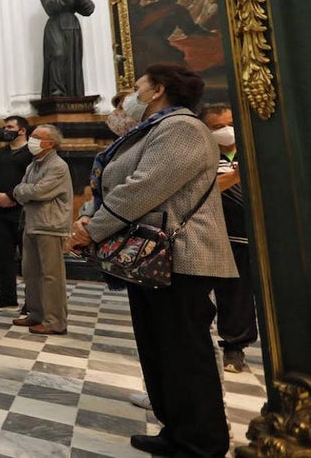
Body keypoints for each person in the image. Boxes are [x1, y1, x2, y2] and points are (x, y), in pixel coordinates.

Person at [70, 63, 236, 457]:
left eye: (137, 86)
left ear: (158, 89)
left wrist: (93, 227)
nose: (133, 92)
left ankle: (202, 442)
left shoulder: (181, 128)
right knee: (159, 349)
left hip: (182, 255)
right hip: (151, 257)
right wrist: (91, 216)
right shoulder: (151, 130)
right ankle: (176, 430)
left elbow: (144, 187)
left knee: (184, 350)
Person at [199, 103, 257, 373]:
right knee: (211, 296)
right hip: (211, 236)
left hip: (248, 237)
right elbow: (203, 188)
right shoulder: (203, 157)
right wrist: (235, 176)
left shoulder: (252, 151)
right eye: (218, 127)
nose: (226, 131)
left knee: (239, 295)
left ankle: (236, 348)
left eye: (230, 124)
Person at [10, 125, 73, 335]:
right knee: (31, 273)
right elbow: (20, 190)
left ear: (50, 143)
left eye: (37, 137)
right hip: (31, 223)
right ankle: (36, 314)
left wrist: (24, 191)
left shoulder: (58, 165)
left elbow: (37, 191)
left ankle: (55, 322)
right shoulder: (32, 165)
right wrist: (24, 191)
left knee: (51, 276)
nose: (32, 140)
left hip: (50, 226)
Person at [0, 116, 32, 311]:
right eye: (5, 127)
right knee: (2, 256)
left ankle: (32, 301)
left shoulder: (31, 154)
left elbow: (32, 181)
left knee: (29, 260)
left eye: (10, 127)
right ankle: (7, 296)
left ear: (22, 130)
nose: (6, 130)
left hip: (22, 212)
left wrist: (11, 197)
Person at [40, 0, 96, 98]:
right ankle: (57, 91)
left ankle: (73, 91)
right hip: (55, 27)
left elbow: (88, 10)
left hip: (72, 27)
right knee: (57, 55)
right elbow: (51, 7)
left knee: (73, 58)